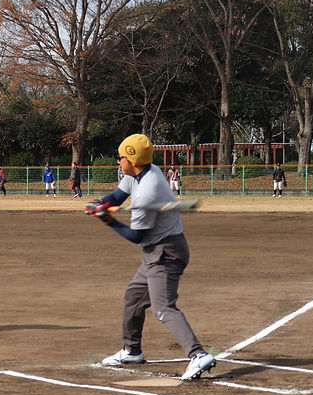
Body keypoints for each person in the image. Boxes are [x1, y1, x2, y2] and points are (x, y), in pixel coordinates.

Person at [85, 133, 216, 381]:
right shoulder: (140, 171)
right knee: (133, 298)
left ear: (132, 160)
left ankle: (197, 355)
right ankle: (131, 350)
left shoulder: (147, 192)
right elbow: (117, 197)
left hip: (165, 253)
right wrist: (100, 203)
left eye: (120, 157)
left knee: (163, 308)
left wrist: (108, 220)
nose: (117, 161)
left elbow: (137, 236)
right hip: (154, 252)